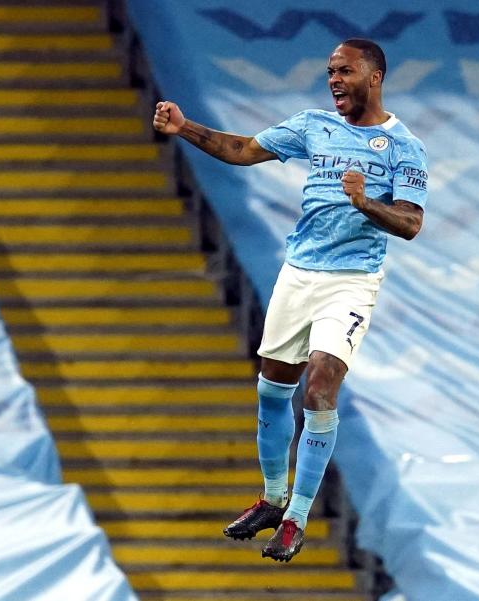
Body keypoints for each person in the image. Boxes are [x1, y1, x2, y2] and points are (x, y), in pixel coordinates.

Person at [153, 38, 428, 562]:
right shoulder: (313, 126)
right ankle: (272, 499)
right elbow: (242, 150)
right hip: (298, 274)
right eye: (329, 71)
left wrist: (365, 202)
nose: (334, 80)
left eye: (344, 71)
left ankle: (297, 517)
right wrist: (184, 127)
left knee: (320, 387)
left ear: (374, 77)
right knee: (272, 389)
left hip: (350, 282)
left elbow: (411, 223)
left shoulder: (403, 147)